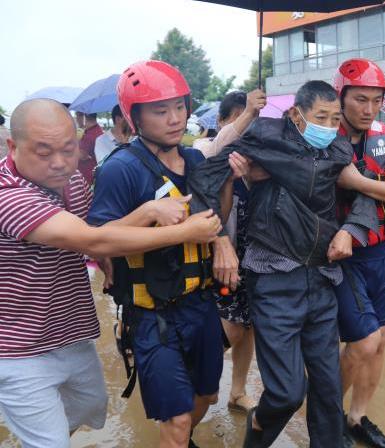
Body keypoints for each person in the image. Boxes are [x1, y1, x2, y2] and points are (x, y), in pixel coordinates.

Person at [0, 98, 221, 448]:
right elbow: (94, 238)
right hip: (18, 349)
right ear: (13, 146)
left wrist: (131, 226)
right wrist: (183, 230)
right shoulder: (8, 197)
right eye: (43, 152)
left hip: (71, 334)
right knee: (50, 443)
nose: (59, 163)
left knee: (88, 411)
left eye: (68, 149)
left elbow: (101, 232)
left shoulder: (69, 179)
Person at [187, 80, 385, 448]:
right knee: (285, 393)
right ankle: (258, 430)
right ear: (298, 115)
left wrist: (349, 230)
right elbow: (204, 175)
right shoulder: (266, 137)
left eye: (334, 118)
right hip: (274, 279)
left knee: (329, 391)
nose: (329, 127)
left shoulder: (340, 147)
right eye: (321, 118)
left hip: (323, 276)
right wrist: (219, 240)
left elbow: (363, 193)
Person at [87, 60, 242, 447]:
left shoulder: (196, 161)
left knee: (206, 395)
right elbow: (98, 240)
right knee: (175, 419)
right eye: (160, 110)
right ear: (133, 116)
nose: (175, 119)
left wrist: (227, 183)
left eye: (179, 107)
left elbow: (214, 220)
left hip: (200, 304)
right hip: (152, 314)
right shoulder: (119, 169)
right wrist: (150, 214)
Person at [333, 58, 385, 448]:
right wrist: (379, 185)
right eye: (360, 100)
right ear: (341, 97)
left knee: (381, 340)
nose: (369, 110)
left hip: (380, 251)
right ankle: (329, 411)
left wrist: (356, 181)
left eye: (376, 100)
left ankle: (357, 416)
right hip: (340, 254)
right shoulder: (322, 135)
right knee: (363, 342)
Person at [196, 89, 266, 414]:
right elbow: (222, 145)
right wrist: (249, 113)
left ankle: (237, 392)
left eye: (251, 121)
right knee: (229, 326)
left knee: (248, 324)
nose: (245, 129)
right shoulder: (205, 153)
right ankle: (201, 381)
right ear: (222, 122)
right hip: (219, 257)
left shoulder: (255, 161)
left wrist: (250, 177)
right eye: (236, 120)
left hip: (253, 258)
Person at [77, 112, 102, 184]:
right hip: (93, 173)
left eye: (78, 116)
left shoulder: (90, 135)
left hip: (87, 176)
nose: (77, 119)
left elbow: (81, 155)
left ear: (84, 117)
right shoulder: (97, 129)